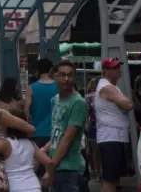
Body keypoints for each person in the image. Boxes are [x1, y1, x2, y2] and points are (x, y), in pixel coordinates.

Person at [42, 60, 87, 192]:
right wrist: (44, 149)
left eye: (70, 75)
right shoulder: (55, 100)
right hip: (57, 166)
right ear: (54, 76)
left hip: (69, 168)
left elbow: (68, 138)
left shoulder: (78, 102)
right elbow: (57, 134)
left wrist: (50, 168)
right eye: (62, 74)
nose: (66, 79)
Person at [95, 57, 133, 192]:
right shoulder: (106, 87)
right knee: (109, 180)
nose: (118, 70)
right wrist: (127, 101)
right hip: (110, 137)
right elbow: (128, 104)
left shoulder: (113, 87)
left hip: (116, 137)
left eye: (118, 67)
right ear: (105, 70)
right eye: (114, 67)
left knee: (115, 180)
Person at [25, 58, 58, 149]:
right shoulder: (58, 87)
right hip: (56, 132)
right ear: (51, 69)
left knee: (38, 160)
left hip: (37, 132)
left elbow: (26, 110)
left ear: (38, 70)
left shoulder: (31, 88)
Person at [84, 78, 101, 181]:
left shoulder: (88, 97)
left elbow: (86, 113)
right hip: (104, 125)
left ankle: (98, 172)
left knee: (95, 151)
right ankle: (103, 172)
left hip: (92, 125)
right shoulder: (104, 96)